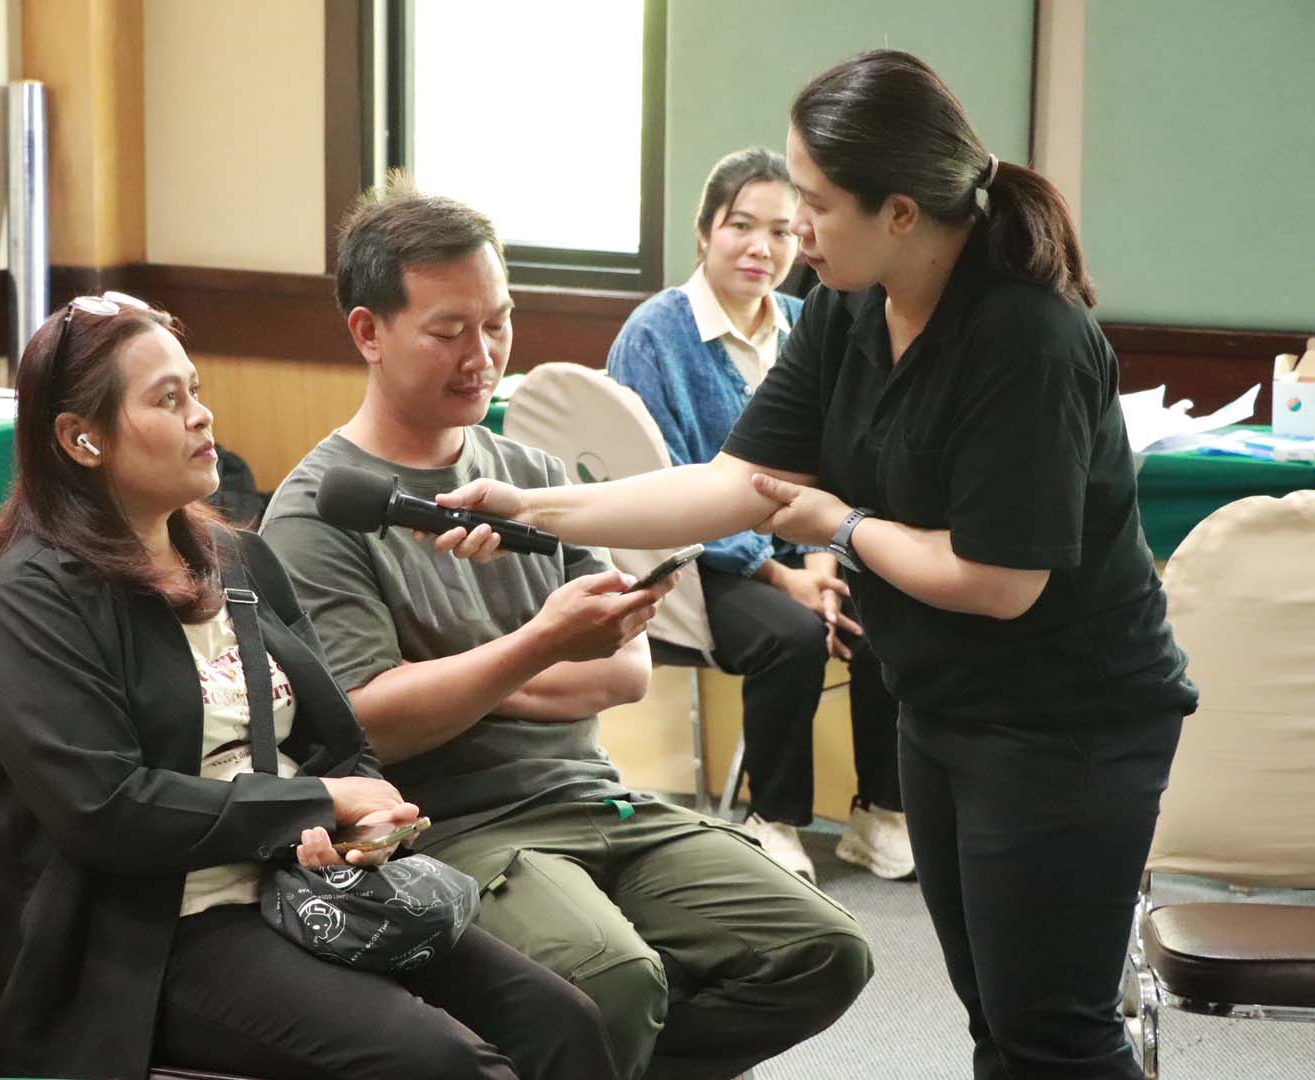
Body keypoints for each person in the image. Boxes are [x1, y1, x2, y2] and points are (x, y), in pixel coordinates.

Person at [432, 50, 1198, 1080]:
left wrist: (842, 524)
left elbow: (999, 582)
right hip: (945, 704)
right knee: (998, 1023)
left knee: (1056, 1035)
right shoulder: (849, 306)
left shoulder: (1028, 336)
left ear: (899, 211)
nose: (795, 230)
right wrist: (534, 506)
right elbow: (732, 484)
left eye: (816, 204)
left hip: (1068, 725)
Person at [262, 181, 872, 1080]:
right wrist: (540, 645)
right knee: (613, 983)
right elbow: (372, 723)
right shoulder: (319, 509)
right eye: (449, 331)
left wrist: (464, 675)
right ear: (368, 332)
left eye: (498, 322)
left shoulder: (533, 476)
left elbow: (624, 673)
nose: (483, 355)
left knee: (824, 951)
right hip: (455, 824)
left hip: (597, 796)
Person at [0, 291, 619, 1080]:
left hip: (302, 887)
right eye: (168, 399)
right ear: (80, 438)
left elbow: (338, 741)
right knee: (442, 1064)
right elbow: (108, 811)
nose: (202, 415)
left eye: (195, 389)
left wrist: (366, 820)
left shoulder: (237, 561)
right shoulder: (33, 601)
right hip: (152, 939)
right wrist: (317, 803)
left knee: (561, 1023)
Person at [606, 146, 911, 883]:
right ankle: (771, 818)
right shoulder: (653, 336)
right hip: (700, 565)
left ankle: (880, 811)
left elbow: (836, 459)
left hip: (811, 547)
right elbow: (667, 486)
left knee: (892, 613)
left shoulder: (810, 321)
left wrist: (824, 563)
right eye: (741, 226)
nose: (761, 248)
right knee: (793, 636)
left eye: (780, 231)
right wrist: (783, 576)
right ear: (704, 230)